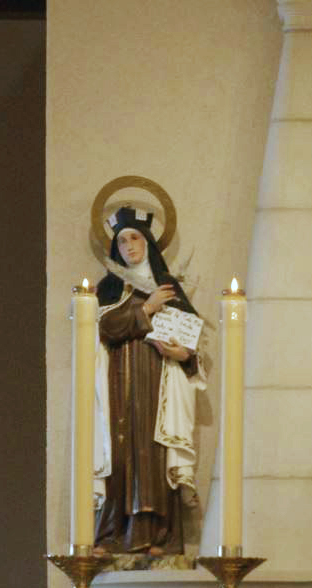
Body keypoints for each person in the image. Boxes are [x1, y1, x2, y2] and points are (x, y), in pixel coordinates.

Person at [94, 204, 202, 555]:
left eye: (135, 238)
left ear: (148, 243)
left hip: (158, 380)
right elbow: (106, 327)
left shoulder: (168, 286)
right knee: (120, 452)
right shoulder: (109, 287)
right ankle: (114, 533)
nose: (129, 246)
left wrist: (182, 355)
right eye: (122, 241)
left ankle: (157, 535)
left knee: (153, 452)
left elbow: (191, 341)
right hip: (120, 381)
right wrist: (147, 308)